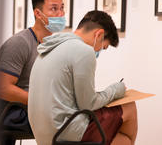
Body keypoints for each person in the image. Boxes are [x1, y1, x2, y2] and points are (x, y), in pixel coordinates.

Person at [28, 10, 138, 145]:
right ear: (99, 34)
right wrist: (115, 90)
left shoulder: (51, 47)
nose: (98, 51)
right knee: (129, 107)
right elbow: (88, 104)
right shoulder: (84, 51)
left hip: (42, 133)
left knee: (121, 140)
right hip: (64, 131)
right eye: (103, 47)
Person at [0, 0, 66, 145]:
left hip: (36, 110)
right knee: (72, 126)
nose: (61, 14)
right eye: (54, 9)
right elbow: (3, 89)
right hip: (13, 114)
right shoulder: (19, 43)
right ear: (38, 14)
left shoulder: (53, 44)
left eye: (62, 8)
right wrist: (43, 101)